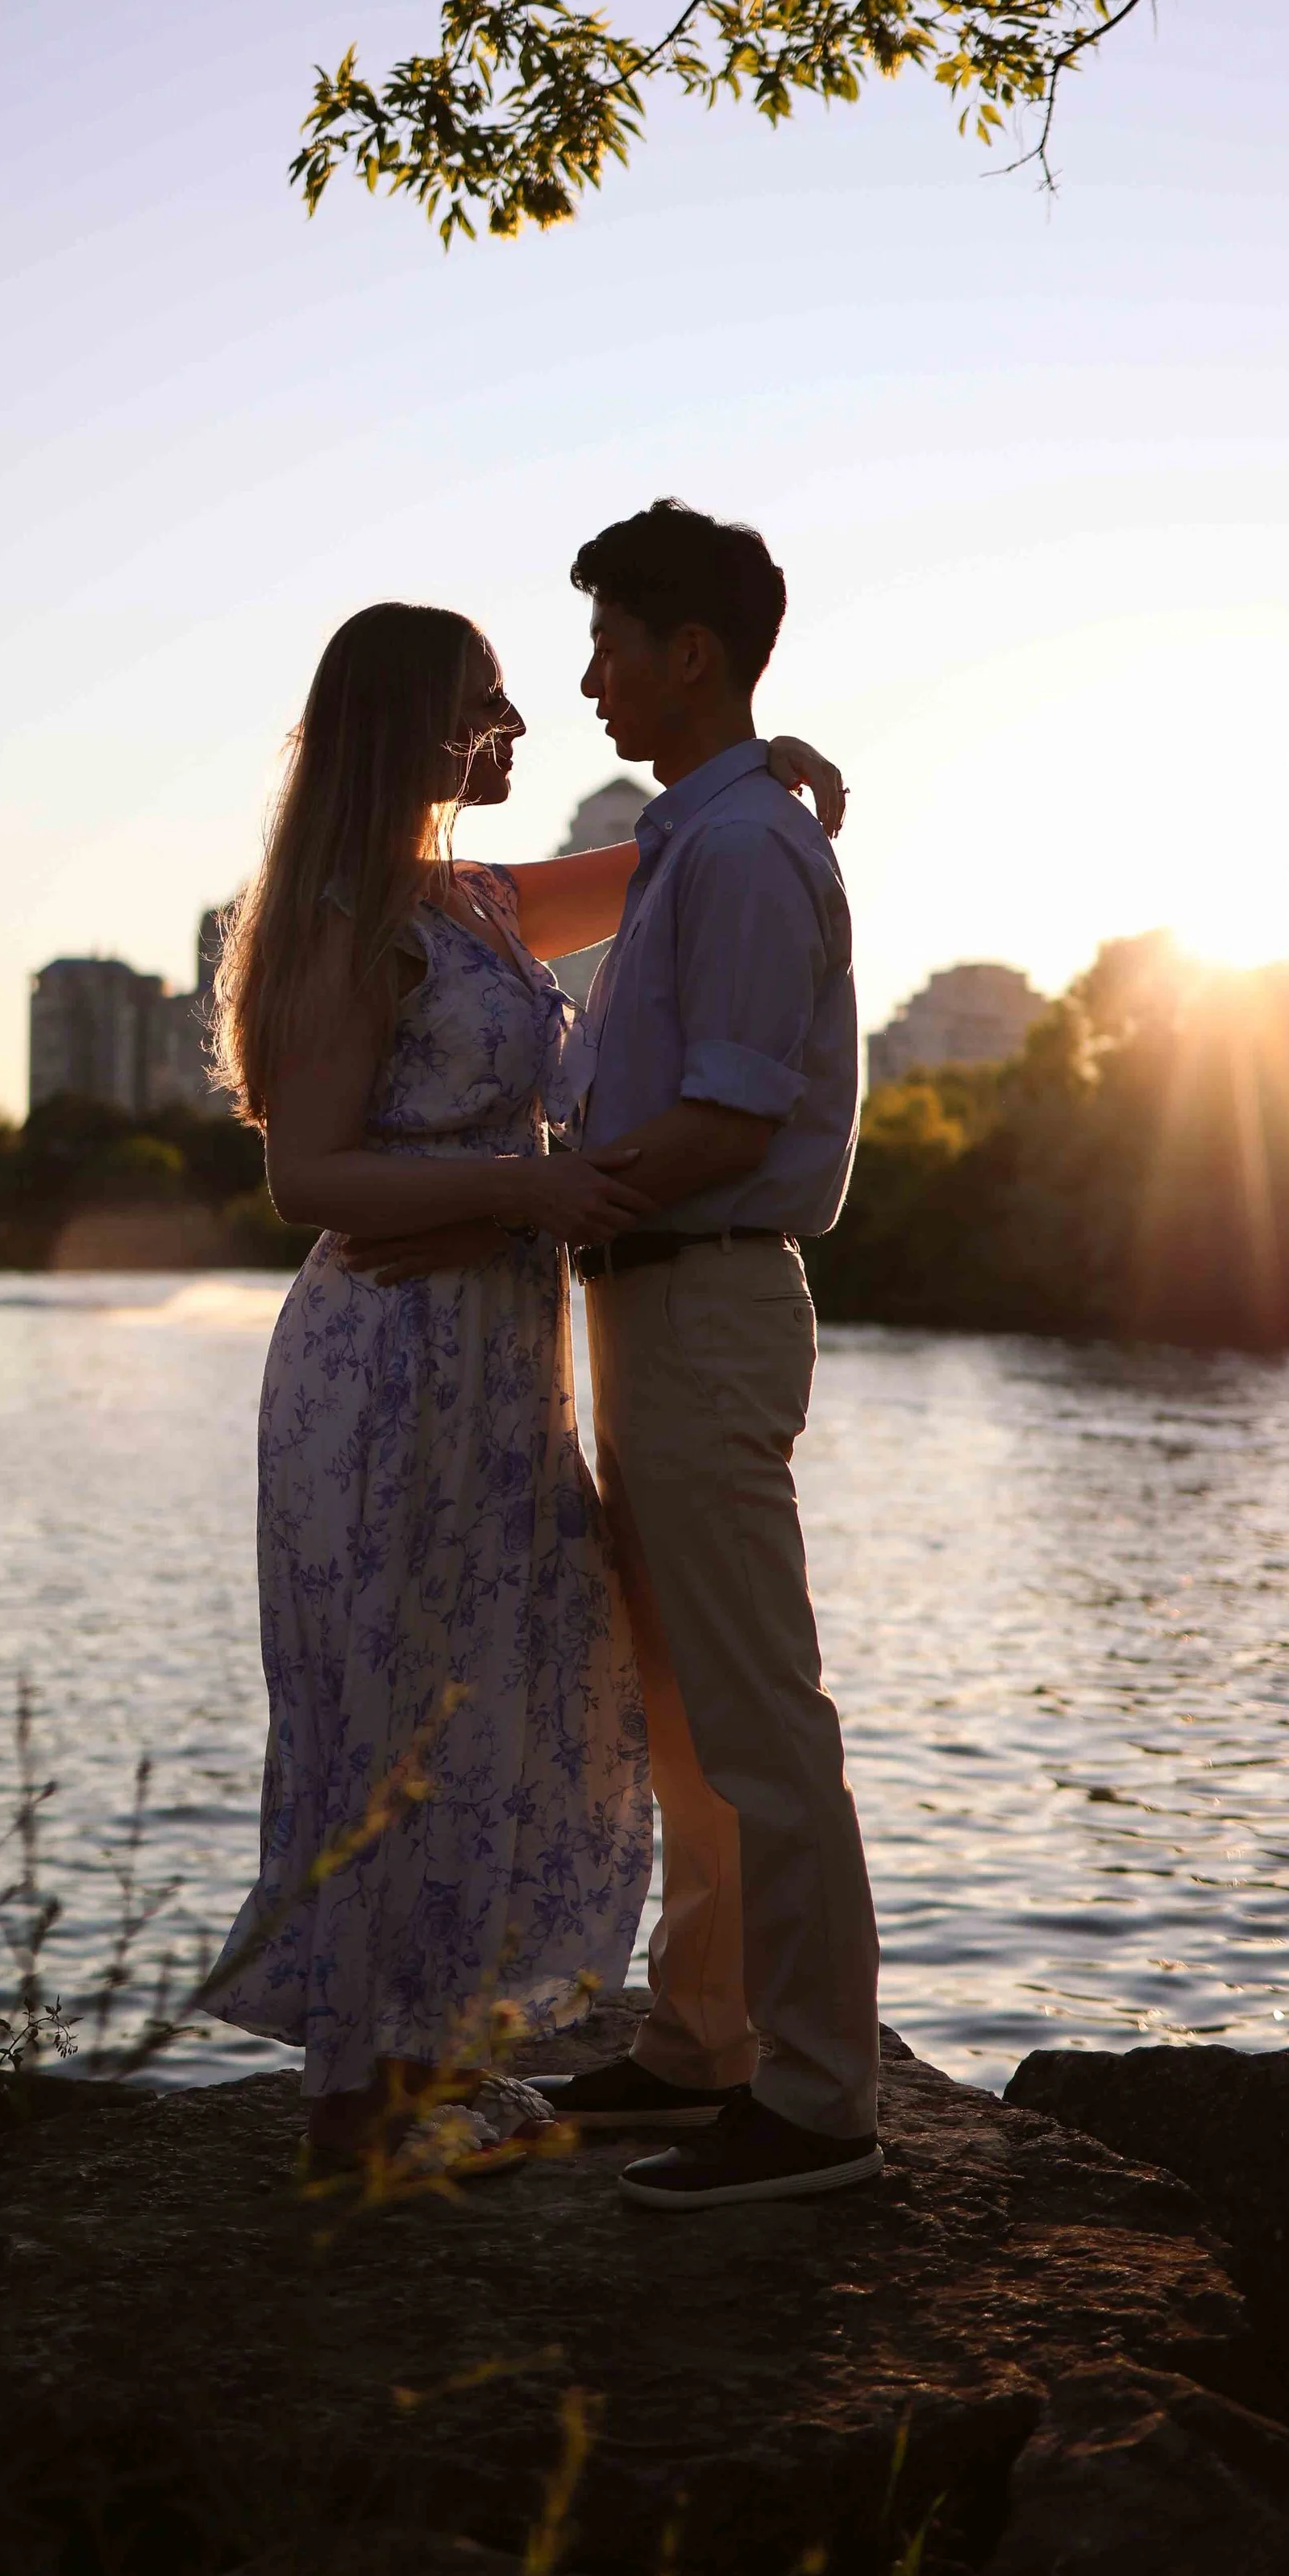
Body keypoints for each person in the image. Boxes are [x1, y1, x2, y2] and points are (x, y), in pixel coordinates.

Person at [198, 599, 846, 2163]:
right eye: (487, 704)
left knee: (515, 1688)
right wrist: (529, 1196)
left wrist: (772, 778)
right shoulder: (344, 919)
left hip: (496, 1363)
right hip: (387, 1362)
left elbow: (672, 858)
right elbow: (307, 1179)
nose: (518, 726)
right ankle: (353, 2104)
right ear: (410, 725)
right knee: (385, 1704)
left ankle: (428, 2063)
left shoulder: (476, 898)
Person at [524, 499, 883, 2211]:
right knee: (682, 1712)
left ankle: (814, 2103)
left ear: (692, 656)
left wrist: (527, 1201)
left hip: (703, 1289)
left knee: (754, 1713)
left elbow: (729, 1109)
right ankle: (701, 2043)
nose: (586, 677)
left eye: (608, 642)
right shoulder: (699, 835)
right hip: (644, 1295)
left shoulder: (737, 852)